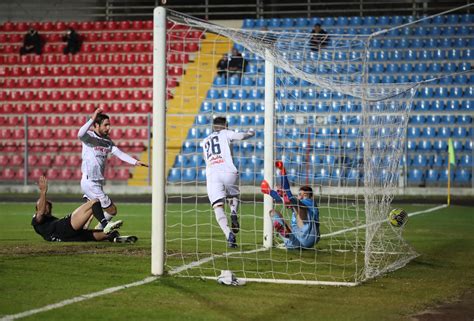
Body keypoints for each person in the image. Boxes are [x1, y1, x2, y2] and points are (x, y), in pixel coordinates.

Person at [78, 107, 149, 229]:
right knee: (112, 210)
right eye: (105, 125)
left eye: (109, 125)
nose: (108, 128)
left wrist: (135, 162)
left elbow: (120, 153)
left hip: (98, 182)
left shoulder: (107, 141)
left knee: (91, 211)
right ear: (96, 125)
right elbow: (80, 134)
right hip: (89, 181)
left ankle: (88, 230)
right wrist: (93, 117)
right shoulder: (89, 137)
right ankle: (102, 228)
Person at [32, 176, 138, 243]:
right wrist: (43, 192)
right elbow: (40, 212)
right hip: (64, 228)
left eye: (48, 205)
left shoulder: (49, 223)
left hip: (69, 238)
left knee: (110, 234)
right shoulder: (37, 220)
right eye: (45, 204)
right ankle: (105, 224)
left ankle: (115, 238)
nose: (47, 206)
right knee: (94, 201)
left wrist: (87, 222)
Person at [202, 116, 255, 248]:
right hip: (228, 171)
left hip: (213, 174)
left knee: (217, 206)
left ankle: (228, 235)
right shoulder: (226, 132)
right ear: (225, 125)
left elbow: (206, 159)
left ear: (213, 127)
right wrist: (250, 133)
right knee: (233, 196)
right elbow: (241, 136)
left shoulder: (205, 141)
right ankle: (234, 213)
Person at [261, 161, 320, 249]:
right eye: (300, 194)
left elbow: (294, 201)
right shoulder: (295, 202)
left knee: (300, 209)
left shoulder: (310, 203)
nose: (302, 197)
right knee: (273, 213)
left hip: (309, 236)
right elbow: (283, 199)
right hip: (294, 240)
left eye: (305, 195)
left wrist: (272, 192)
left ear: (310, 197)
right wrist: (274, 193)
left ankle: (282, 173)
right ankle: (286, 233)